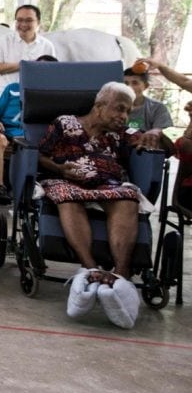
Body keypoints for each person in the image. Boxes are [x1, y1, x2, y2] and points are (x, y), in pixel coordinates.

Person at [37, 82, 161, 283]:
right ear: (100, 106)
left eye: (128, 112)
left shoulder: (122, 132)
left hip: (107, 184)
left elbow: (162, 145)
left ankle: (121, 273)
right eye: (120, 109)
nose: (124, 117)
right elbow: (40, 155)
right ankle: (89, 267)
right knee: (67, 196)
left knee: (129, 197)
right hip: (65, 180)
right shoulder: (64, 123)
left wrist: (155, 133)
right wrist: (60, 169)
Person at [0, 55, 58, 198]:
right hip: (7, 133)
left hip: (34, 137)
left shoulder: (52, 95)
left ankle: (38, 186)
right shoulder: (12, 88)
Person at [0, 4, 56, 125]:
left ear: (38, 22)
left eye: (29, 20)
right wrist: (24, 65)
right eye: (20, 20)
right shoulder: (5, 40)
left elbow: (51, 75)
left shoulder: (47, 46)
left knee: (19, 136)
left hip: (28, 101)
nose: (23, 24)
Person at [123, 65, 173, 134]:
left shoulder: (158, 108)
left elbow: (160, 132)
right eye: (126, 83)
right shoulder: (113, 107)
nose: (129, 87)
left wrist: (153, 134)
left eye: (135, 83)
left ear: (146, 86)